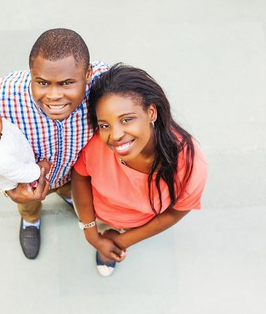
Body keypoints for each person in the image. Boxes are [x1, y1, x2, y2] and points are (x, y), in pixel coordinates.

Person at [71, 63, 208, 276]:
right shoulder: (96, 144)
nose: (114, 135)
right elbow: (80, 177)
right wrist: (91, 233)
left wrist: (122, 240)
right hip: (98, 213)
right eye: (105, 125)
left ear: (151, 112)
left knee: (109, 249)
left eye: (126, 119)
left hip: (138, 223)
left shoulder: (189, 164)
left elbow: (175, 212)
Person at [0, 28, 109, 259]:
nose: (53, 96)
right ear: (30, 73)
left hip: (75, 174)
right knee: (28, 205)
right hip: (29, 181)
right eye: (42, 82)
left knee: (72, 188)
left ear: (88, 74)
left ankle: (69, 196)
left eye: (66, 83)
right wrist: (9, 190)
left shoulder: (107, 84)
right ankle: (30, 222)